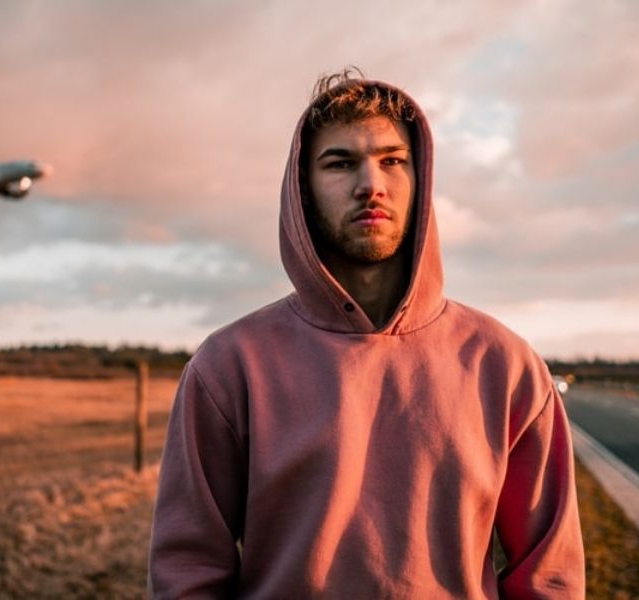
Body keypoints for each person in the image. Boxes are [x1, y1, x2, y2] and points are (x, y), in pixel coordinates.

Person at [148, 69, 585, 598]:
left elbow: (550, 574)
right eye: (339, 163)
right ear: (302, 190)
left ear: (419, 181)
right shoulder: (229, 367)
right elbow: (187, 572)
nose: (370, 184)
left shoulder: (505, 365)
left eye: (392, 161)